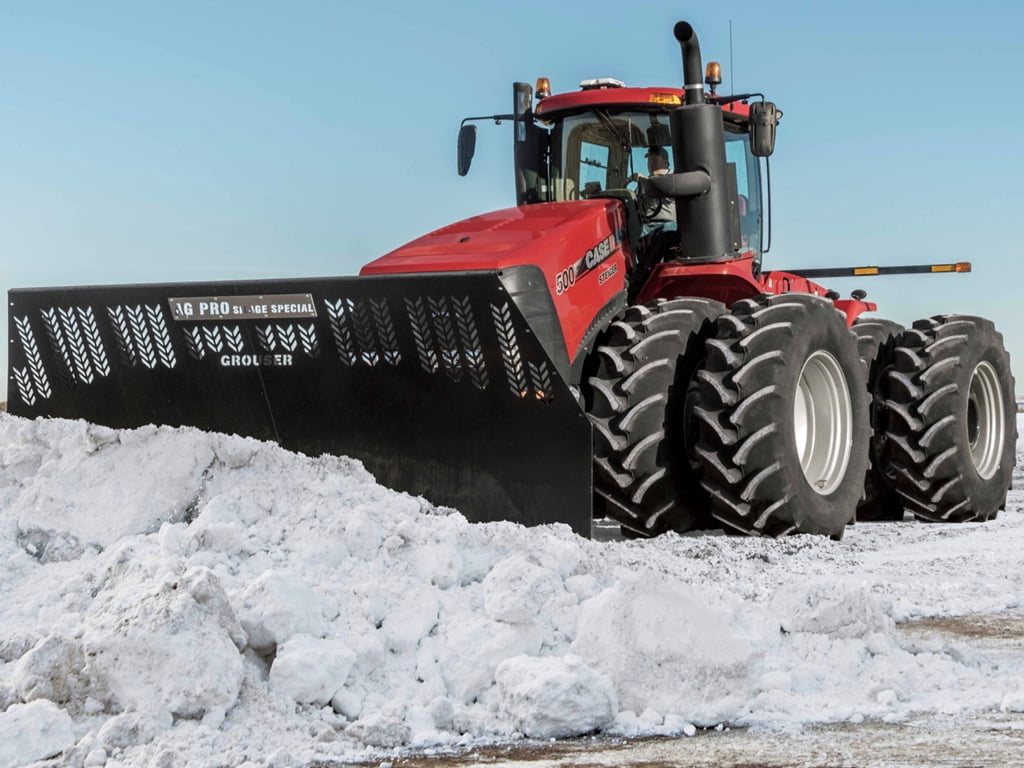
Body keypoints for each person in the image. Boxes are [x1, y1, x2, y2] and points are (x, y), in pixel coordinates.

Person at [634, 146, 676, 235]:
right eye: (649, 158)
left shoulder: (673, 177)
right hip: (646, 226)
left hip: (667, 224)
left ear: (666, 163)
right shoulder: (643, 182)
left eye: (654, 158)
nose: (650, 161)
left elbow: (664, 187)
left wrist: (647, 180)